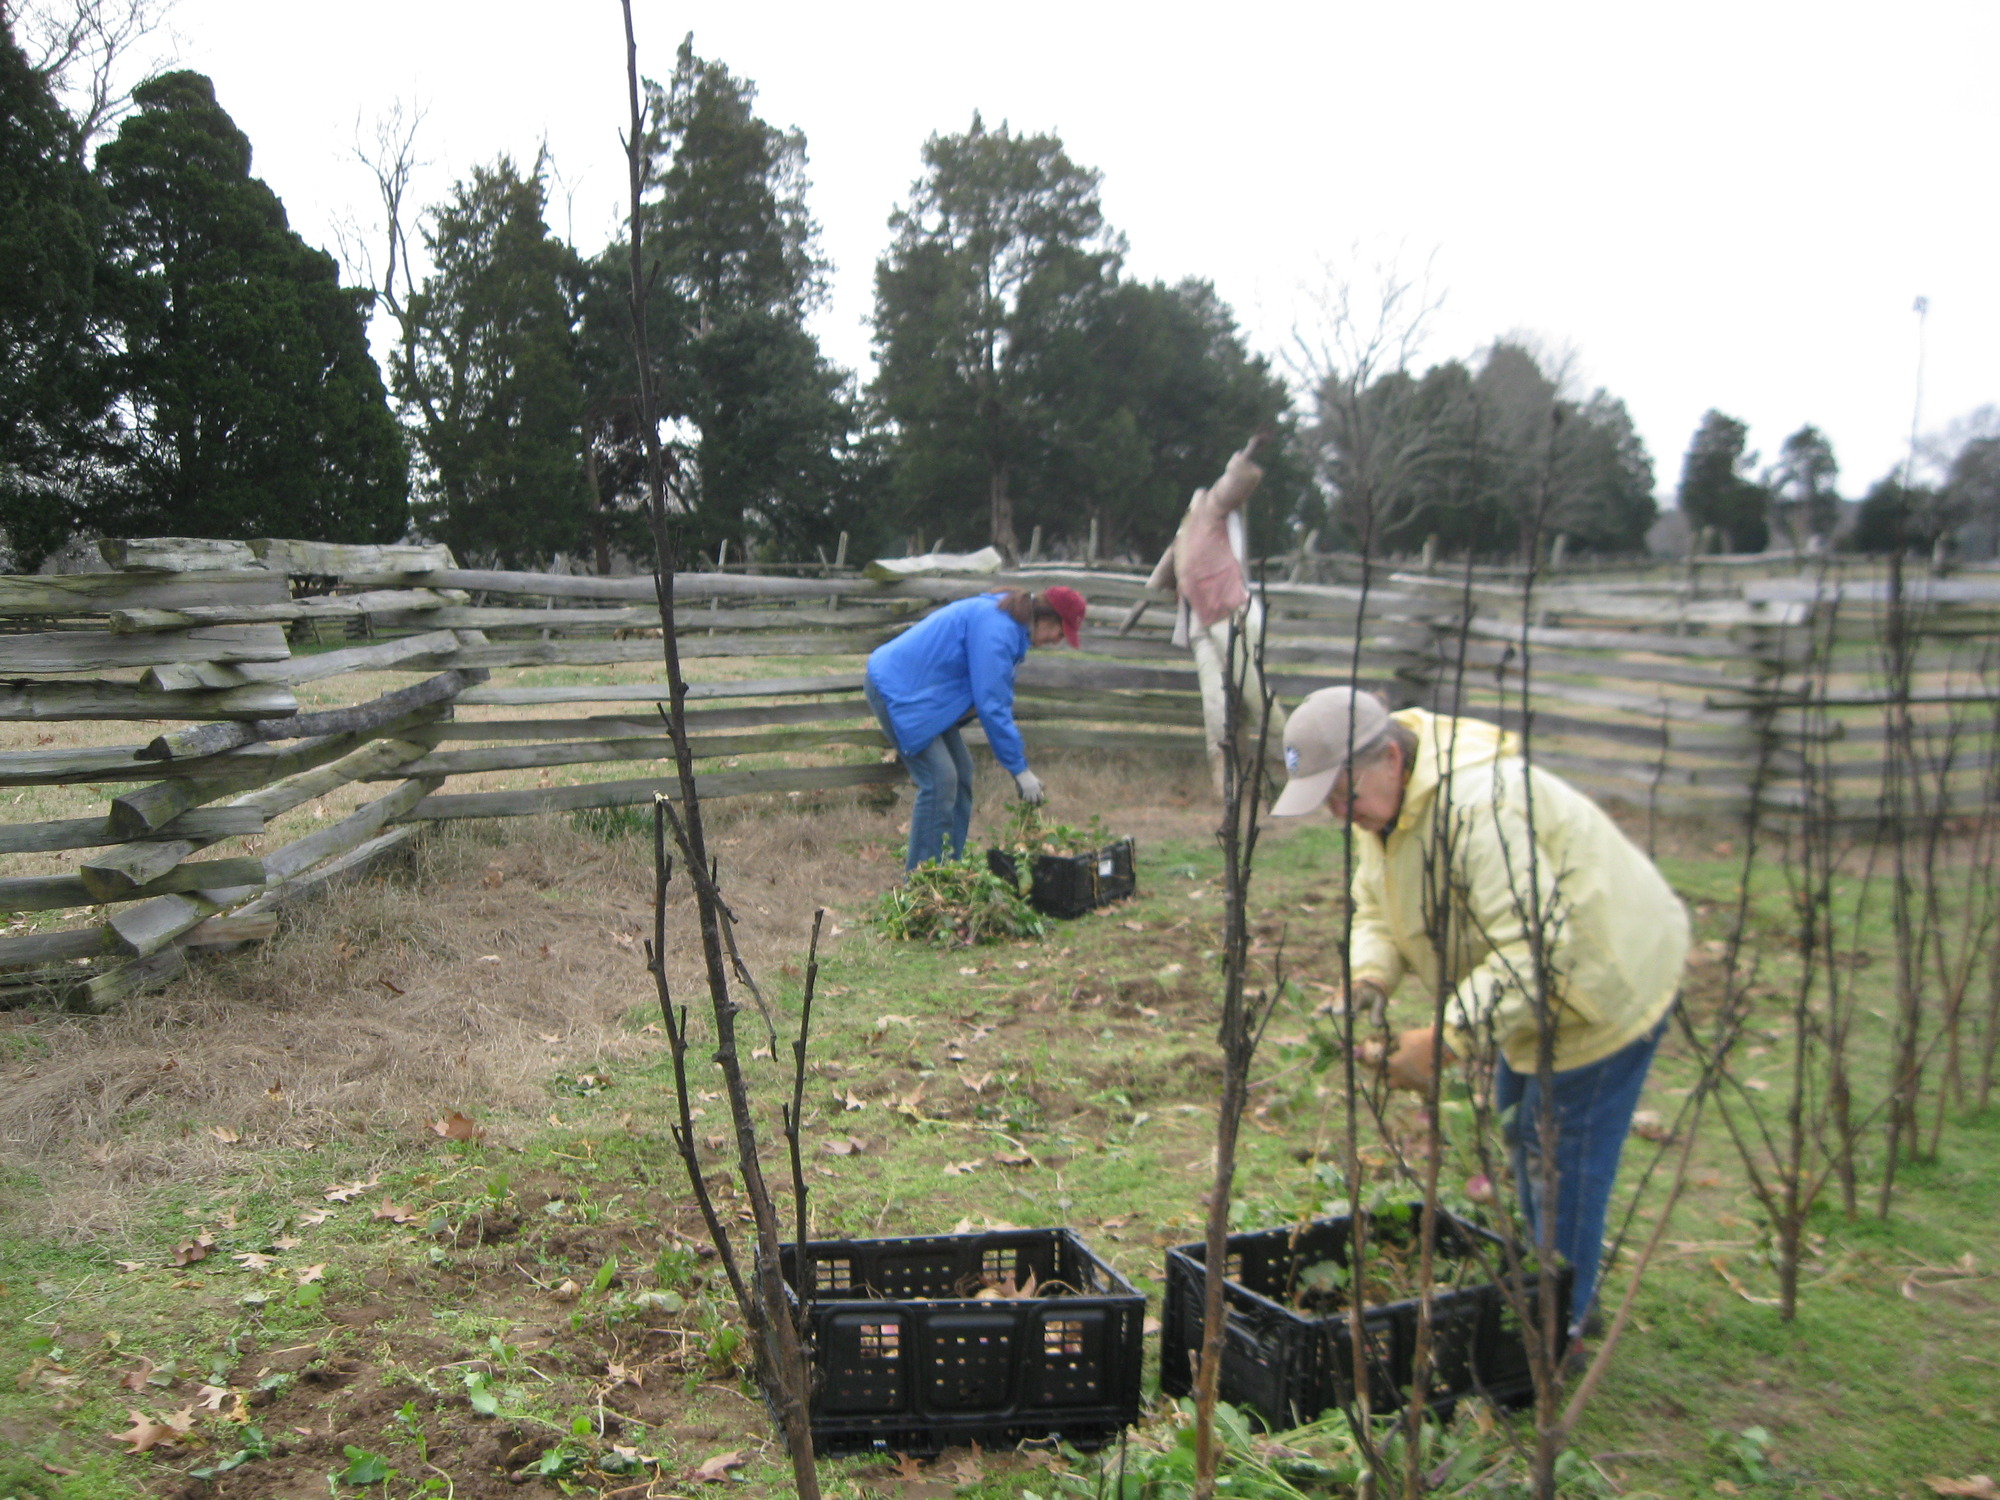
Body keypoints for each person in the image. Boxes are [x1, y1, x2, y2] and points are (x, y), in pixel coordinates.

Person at [1271, 686, 1690, 1343]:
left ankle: (1561, 1329)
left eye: (1339, 794)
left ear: (1388, 756)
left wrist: (1443, 1041)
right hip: (1539, 992)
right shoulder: (1387, 806)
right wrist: (1369, 978)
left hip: (1604, 980)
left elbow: (1537, 947)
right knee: (1522, 1129)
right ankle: (1546, 1284)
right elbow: (1376, 901)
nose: (1335, 812)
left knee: (1561, 1155)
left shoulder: (1476, 807)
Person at [865, 586, 1087, 871]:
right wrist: (1019, 769)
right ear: (1046, 617)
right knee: (940, 780)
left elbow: (991, 694)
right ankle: (923, 885)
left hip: (925, 697)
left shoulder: (1012, 627)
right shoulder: (999, 629)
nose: (1058, 641)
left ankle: (949, 871)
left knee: (962, 775)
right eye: (1060, 631)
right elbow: (992, 703)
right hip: (897, 690)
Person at [1137, 432, 1287, 794]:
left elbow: (1232, 482)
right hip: (1200, 623)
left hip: (1229, 612)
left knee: (1253, 694)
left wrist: (1247, 453)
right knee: (1215, 702)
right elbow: (1166, 568)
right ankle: (1225, 785)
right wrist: (1143, 600)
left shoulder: (1212, 506)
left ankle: (1291, 766)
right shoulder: (1186, 529)